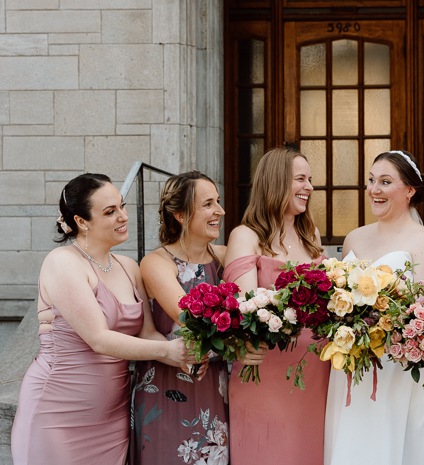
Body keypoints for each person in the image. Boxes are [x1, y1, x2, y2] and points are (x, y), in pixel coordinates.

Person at [11, 173, 194, 465]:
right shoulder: (62, 263)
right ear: (81, 221)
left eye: (122, 206)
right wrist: (167, 350)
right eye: (110, 212)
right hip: (57, 415)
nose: (123, 216)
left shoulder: (129, 266)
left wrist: (185, 356)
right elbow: (98, 338)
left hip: (112, 419)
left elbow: (146, 333)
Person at [324, 150, 424, 465]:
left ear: (410, 190)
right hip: (351, 367)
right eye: (372, 181)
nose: (374, 189)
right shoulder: (354, 238)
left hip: (399, 372)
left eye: (385, 182)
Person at [222, 147, 330, 465]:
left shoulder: (311, 234)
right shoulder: (246, 235)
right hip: (266, 369)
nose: (309, 187)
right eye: (300, 179)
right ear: (276, 182)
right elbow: (247, 306)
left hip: (316, 370)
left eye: (309, 179)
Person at [130, 171, 230, 464]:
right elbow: (190, 317)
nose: (220, 211)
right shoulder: (156, 263)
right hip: (166, 388)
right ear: (181, 215)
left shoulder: (225, 257)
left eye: (219, 202)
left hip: (213, 385)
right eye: (208, 204)